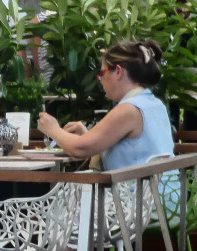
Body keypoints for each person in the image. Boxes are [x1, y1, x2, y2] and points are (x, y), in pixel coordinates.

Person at [37, 40, 173, 169]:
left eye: (102, 73)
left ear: (119, 72)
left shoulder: (130, 108)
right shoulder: (152, 103)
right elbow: (131, 147)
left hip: (138, 193)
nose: (100, 79)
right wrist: (88, 135)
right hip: (161, 191)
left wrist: (53, 129)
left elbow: (78, 149)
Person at [29, 0, 76, 83]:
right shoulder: (81, 18)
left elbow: (38, 67)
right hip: (78, 90)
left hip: (49, 91)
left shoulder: (35, 23)